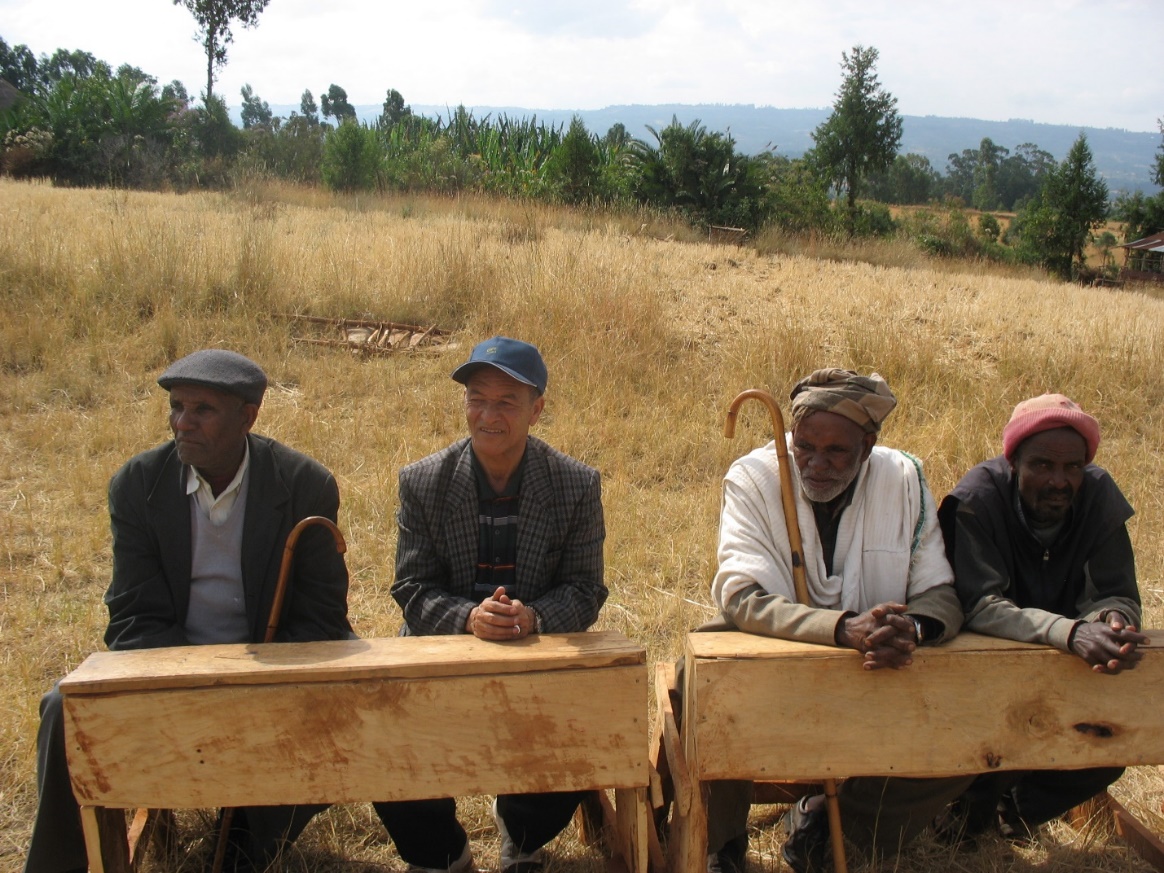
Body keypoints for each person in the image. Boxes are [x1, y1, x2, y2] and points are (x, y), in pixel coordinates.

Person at [26, 349, 354, 873]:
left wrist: (251, 680)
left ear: (248, 416)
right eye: (176, 407)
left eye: (202, 410)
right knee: (62, 711)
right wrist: (196, 685)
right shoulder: (137, 485)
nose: (182, 422)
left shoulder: (304, 484)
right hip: (168, 666)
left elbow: (321, 618)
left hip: (272, 670)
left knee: (341, 709)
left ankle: (247, 843)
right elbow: (132, 616)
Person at [704, 368, 971, 873]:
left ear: (867, 446)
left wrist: (910, 629)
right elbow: (741, 598)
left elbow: (939, 592)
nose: (816, 464)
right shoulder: (754, 475)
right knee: (707, 682)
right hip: (778, 661)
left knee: (968, 719)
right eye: (805, 447)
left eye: (836, 452)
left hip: (878, 670)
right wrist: (841, 629)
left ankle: (833, 830)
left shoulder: (904, 477)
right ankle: (724, 846)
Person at [381, 336, 607, 873]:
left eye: (506, 402)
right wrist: (469, 618)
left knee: (589, 720)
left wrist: (532, 618)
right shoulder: (423, 482)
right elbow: (411, 587)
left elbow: (585, 588)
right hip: (441, 652)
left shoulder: (575, 484)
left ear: (537, 409)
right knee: (384, 736)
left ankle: (522, 834)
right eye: (477, 399)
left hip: (537, 652)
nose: (488, 414)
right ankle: (443, 853)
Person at [937, 393, 1146, 843]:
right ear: (1014, 463)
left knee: (1111, 743)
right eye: (1043, 466)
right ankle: (968, 808)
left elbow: (1116, 592)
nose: (1059, 481)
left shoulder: (1099, 496)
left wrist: (1111, 619)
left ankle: (1011, 813)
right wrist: (1069, 632)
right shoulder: (976, 500)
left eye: (1073, 468)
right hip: (988, 668)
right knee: (988, 743)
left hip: (1072, 668)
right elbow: (980, 605)